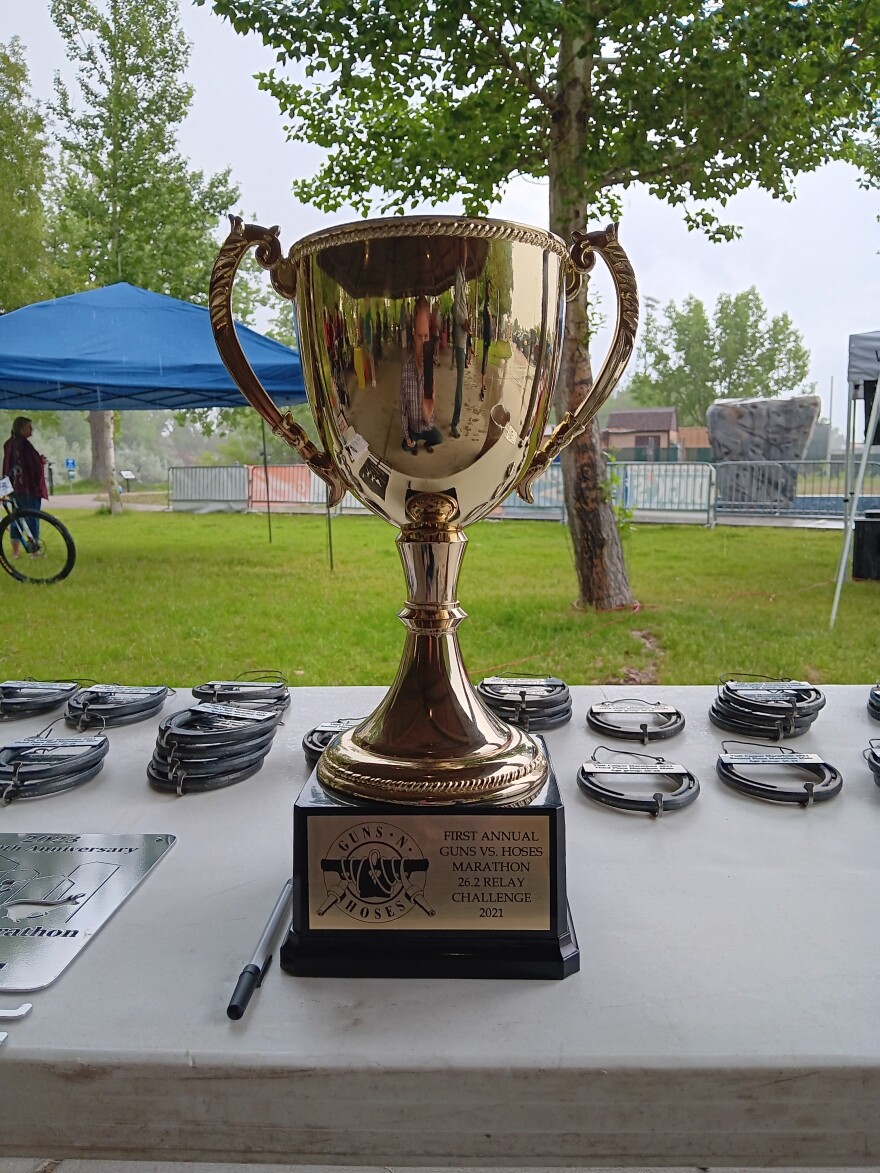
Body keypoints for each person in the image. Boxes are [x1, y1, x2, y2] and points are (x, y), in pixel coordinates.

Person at [399, 299, 443, 455]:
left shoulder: (430, 368)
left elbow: (429, 406)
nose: (424, 343)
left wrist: (428, 415)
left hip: (426, 426)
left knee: (438, 438)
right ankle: (414, 443)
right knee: (405, 446)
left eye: (426, 336)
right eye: (419, 336)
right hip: (413, 429)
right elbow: (403, 409)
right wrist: (406, 435)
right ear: (413, 336)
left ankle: (426, 443)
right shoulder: (405, 371)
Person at [2, 416, 48, 558]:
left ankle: (15, 552)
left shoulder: (9, 444)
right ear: (21, 428)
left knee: (17, 518)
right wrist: (41, 461)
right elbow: (31, 467)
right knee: (32, 517)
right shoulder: (24, 445)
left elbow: (9, 466)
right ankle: (34, 550)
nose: (31, 429)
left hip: (14, 488)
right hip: (28, 488)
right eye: (29, 427)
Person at [450, 240, 470, 438]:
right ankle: (454, 423)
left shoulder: (462, 278)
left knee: (460, 384)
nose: (465, 253)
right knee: (459, 386)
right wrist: (464, 323)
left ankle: (455, 421)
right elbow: (456, 308)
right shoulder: (459, 275)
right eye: (463, 249)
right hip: (459, 343)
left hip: (462, 343)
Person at [480, 279, 494, 400]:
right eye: (489, 289)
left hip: (488, 336)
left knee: (487, 359)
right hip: (486, 335)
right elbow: (487, 317)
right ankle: (482, 386)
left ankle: (483, 385)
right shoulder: (486, 304)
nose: (490, 291)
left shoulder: (488, 304)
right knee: (485, 360)